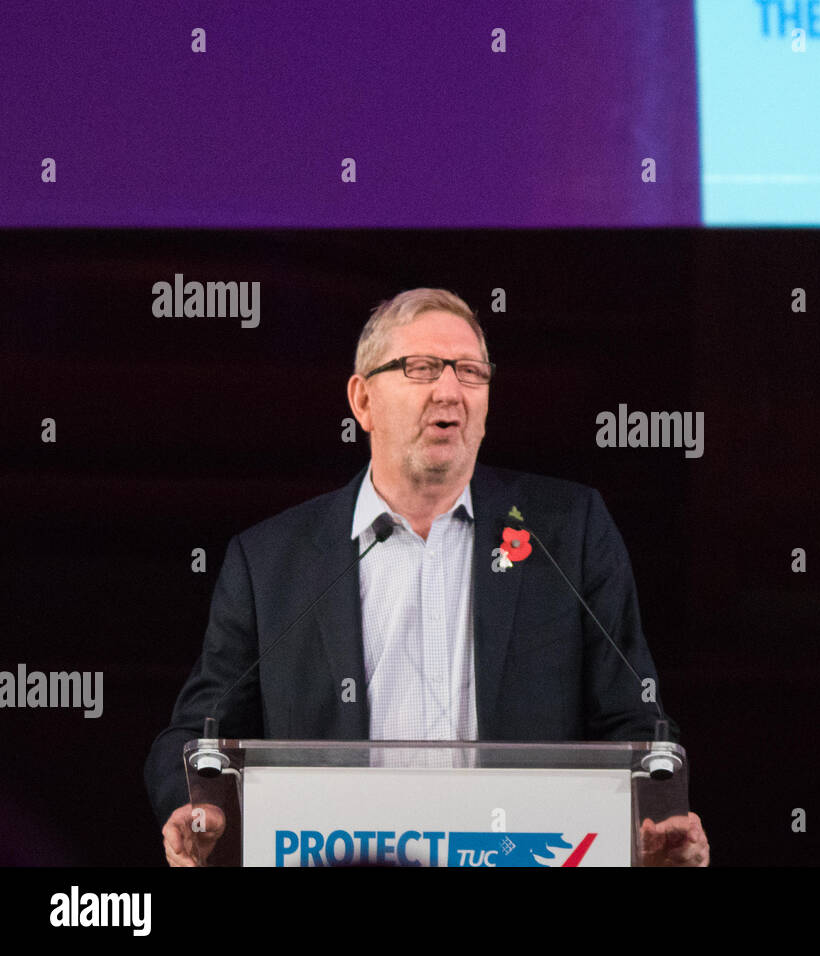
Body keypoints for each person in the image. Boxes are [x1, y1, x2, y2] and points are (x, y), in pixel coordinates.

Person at [145, 288, 709, 867]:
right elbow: (195, 737)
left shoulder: (568, 533)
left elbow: (637, 723)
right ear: (362, 400)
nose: (451, 391)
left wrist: (659, 820)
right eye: (421, 369)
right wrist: (194, 807)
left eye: (470, 372)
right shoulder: (270, 560)